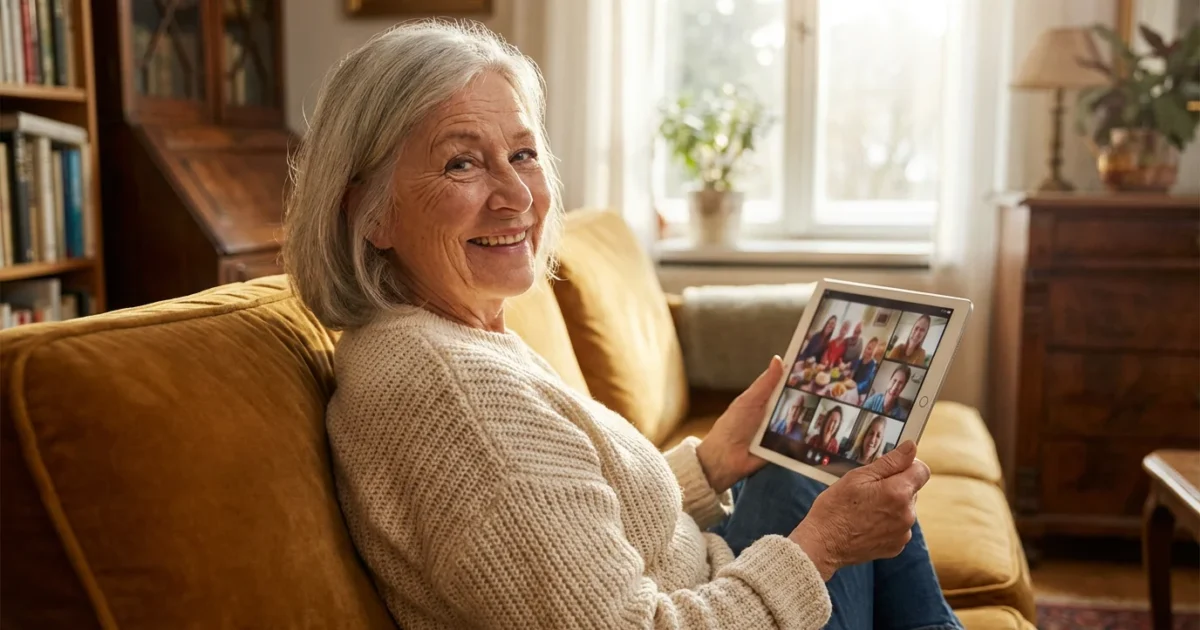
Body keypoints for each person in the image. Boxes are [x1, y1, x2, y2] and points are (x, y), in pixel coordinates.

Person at [283, 20, 961, 630]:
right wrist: (824, 547)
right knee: (836, 482)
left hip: (707, 578)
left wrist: (712, 465)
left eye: (522, 153)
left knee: (823, 464)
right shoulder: (451, 391)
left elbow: (572, 533)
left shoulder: (452, 334)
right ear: (366, 214)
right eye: (461, 162)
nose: (517, 196)